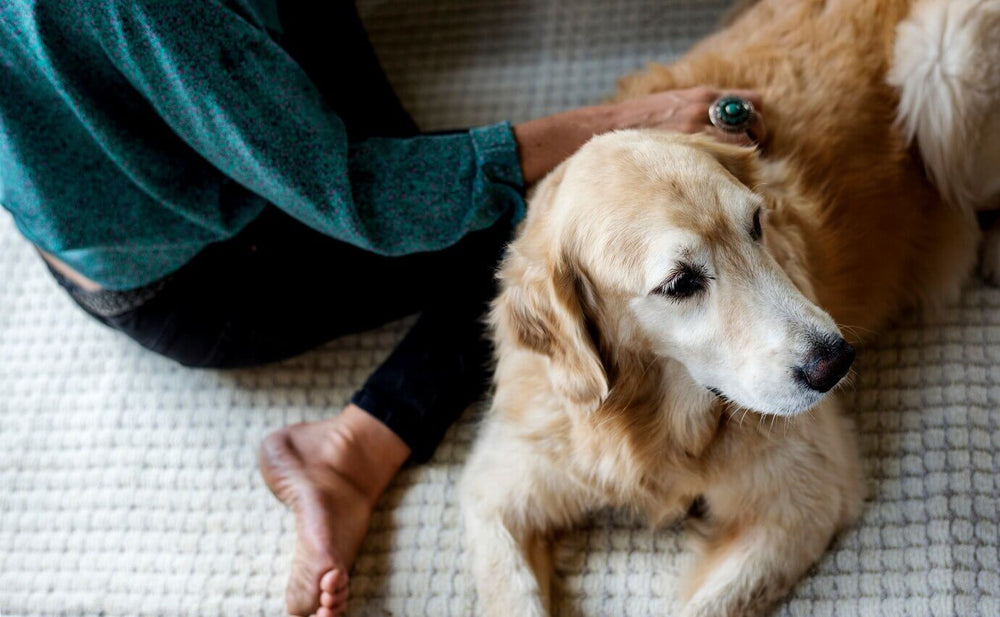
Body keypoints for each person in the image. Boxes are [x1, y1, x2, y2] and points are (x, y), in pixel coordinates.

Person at [0, 1, 766, 616]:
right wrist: (619, 125)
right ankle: (349, 452)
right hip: (208, 274)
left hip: (89, 180)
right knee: (550, 243)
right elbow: (367, 196)